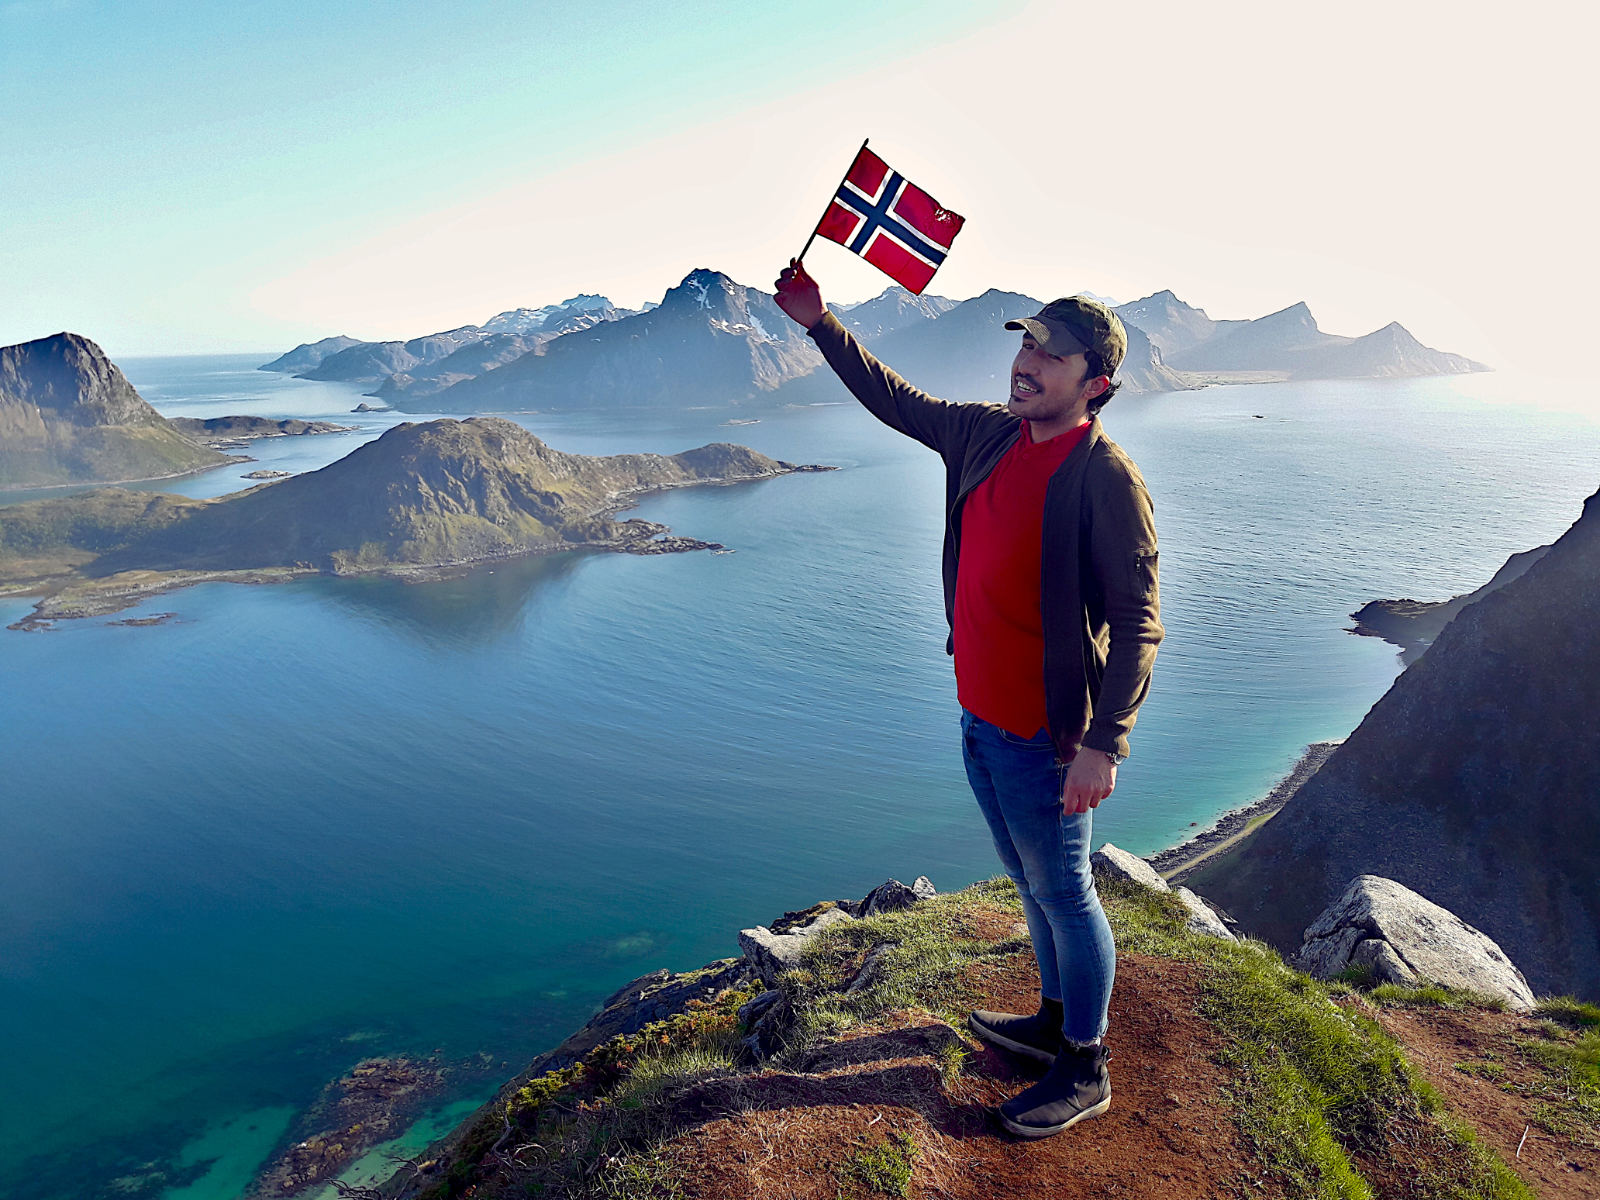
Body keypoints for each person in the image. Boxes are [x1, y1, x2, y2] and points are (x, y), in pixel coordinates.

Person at [773, 258, 1163, 1138]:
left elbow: (1140, 624)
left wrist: (1104, 743)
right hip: (980, 717)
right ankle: (1054, 1021)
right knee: (1031, 881)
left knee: (1066, 891)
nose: (1026, 363)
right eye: (1026, 345)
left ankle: (1085, 1064)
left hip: (1044, 736)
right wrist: (819, 323)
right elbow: (897, 401)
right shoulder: (988, 435)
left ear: (1095, 385)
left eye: (1050, 356)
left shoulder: (1106, 479)